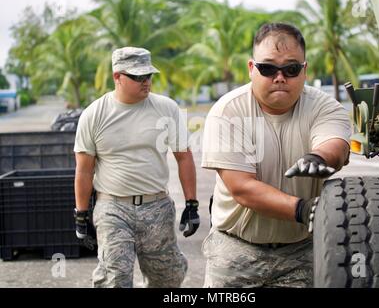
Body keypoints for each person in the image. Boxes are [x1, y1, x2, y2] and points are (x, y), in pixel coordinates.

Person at [201, 23, 351, 288]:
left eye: (291, 69)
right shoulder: (229, 111)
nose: (279, 77)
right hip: (235, 250)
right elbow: (242, 188)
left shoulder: (324, 106)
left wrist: (320, 157)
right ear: (251, 69)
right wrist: (304, 209)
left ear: (305, 70)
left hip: (302, 252)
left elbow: (335, 144)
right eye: (268, 68)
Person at [73, 47, 200, 288]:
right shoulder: (94, 115)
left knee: (167, 278)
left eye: (149, 76)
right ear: (117, 77)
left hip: (157, 207)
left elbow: (184, 157)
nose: (146, 82)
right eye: (137, 77)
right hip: (112, 207)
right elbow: (84, 170)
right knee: (115, 278)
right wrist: (81, 215)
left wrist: (191, 205)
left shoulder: (167, 109)